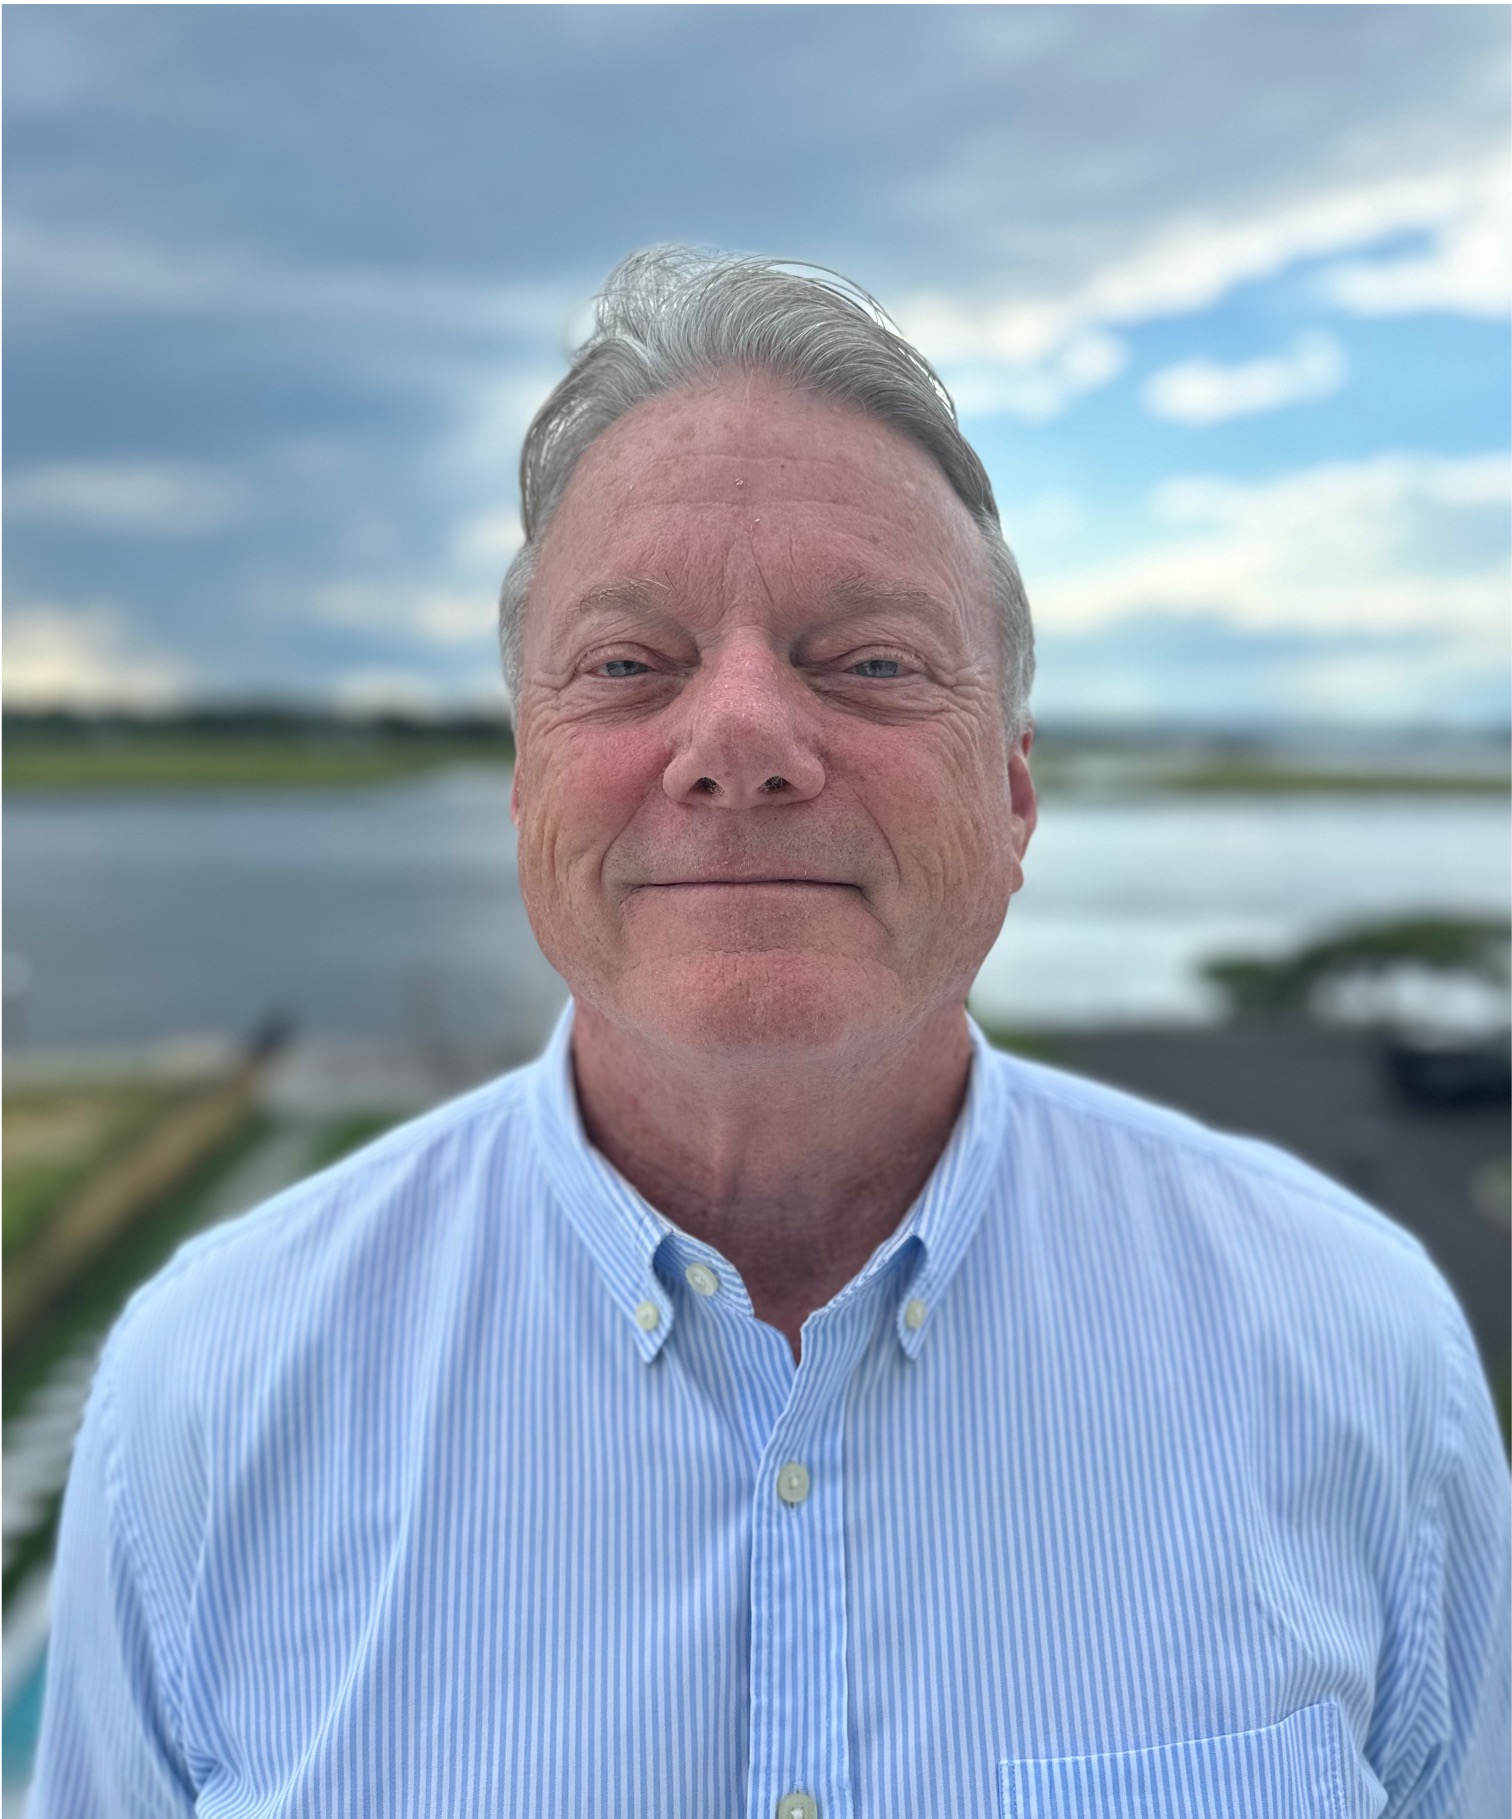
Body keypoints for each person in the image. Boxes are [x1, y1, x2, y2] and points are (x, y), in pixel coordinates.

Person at [33, 247, 1508, 1817]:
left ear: (1013, 797)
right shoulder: (210, 1394)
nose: (737, 741)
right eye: (627, 666)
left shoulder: (1355, 1353)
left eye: (870, 662)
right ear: (526, 790)